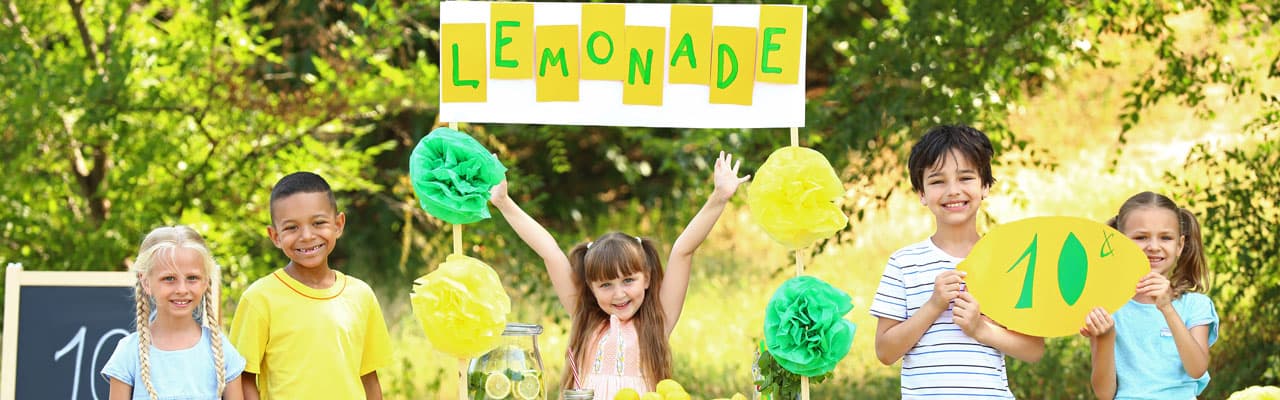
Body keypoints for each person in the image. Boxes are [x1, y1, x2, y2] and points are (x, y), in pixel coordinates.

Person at [489, 151, 749, 398]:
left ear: (646, 278)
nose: (619, 294)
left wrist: (719, 198)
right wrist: (503, 201)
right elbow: (549, 251)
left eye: (628, 280)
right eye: (605, 285)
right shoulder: (586, 318)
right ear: (590, 288)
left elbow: (683, 250)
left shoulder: (657, 322)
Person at [869, 125, 1045, 399]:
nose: (953, 191)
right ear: (922, 193)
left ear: (985, 186)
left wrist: (979, 328)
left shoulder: (1008, 261)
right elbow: (885, 351)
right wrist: (933, 305)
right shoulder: (904, 264)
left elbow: (1034, 349)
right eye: (937, 181)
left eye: (965, 178)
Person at [230, 172, 392, 400]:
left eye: (318, 223)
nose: (306, 236)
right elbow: (243, 379)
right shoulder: (259, 299)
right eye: (291, 228)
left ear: (338, 224)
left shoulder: (361, 295)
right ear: (274, 236)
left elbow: (368, 377)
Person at [1080, 191, 1218, 399]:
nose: (1153, 247)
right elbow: (1104, 393)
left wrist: (1167, 309)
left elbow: (1197, 368)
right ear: (1119, 243)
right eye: (1141, 237)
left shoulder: (1196, 305)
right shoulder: (1106, 306)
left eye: (1165, 237)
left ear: (1180, 245)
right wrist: (1106, 336)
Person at [102, 225, 245, 400]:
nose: (182, 289)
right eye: (169, 278)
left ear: (206, 281)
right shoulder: (128, 353)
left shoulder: (220, 350)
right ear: (146, 281)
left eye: (192, 278)